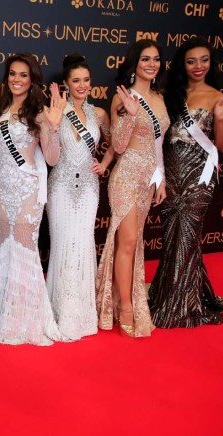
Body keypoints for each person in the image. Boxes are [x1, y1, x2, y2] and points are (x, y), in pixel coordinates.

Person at [148, 36, 223, 327]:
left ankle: (176, 306)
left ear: (210, 63)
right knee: (172, 238)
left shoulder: (217, 96)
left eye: (204, 60)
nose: (198, 66)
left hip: (199, 177)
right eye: (192, 60)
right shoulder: (168, 94)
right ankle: (177, 294)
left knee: (187, 237)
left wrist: (220, 118)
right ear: (183, 64)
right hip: (171, 176)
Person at [0, 54, 66, 345]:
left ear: (31, 79)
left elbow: (52, 158)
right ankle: (5, 315)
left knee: (25, 250)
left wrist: (53, 126)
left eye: (23, 75)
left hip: (27, 192)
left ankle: (26, 321)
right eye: (12, 74)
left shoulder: (39, 112)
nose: (16, 79)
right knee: (7, 249)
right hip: (3, 194)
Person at [96, 39, 169, 338]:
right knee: (126, 242)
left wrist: (160, 178)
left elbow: (159, 145)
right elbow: (119, 145)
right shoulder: (122, 97)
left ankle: (122, 297)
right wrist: (127, 115)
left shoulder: (161, 98)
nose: (151, 64)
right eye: (145, 59)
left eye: (156, 59)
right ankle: (125, 306)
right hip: (125, 176)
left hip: (147, 179)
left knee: (135, 241)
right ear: (134, 63)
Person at [45, 54, 113, 341]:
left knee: (83, 243)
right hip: (60, 184)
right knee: (62, 244)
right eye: (76, 80)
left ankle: (82, 314)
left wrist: (106, 162)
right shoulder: (54, 110)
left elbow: (117, 142)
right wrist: (54, 121)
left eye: (86, 80)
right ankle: (57, 311)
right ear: (66, 84)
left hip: (88, 187)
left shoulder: (99, 114)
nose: (82, 85)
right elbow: (49, 152)